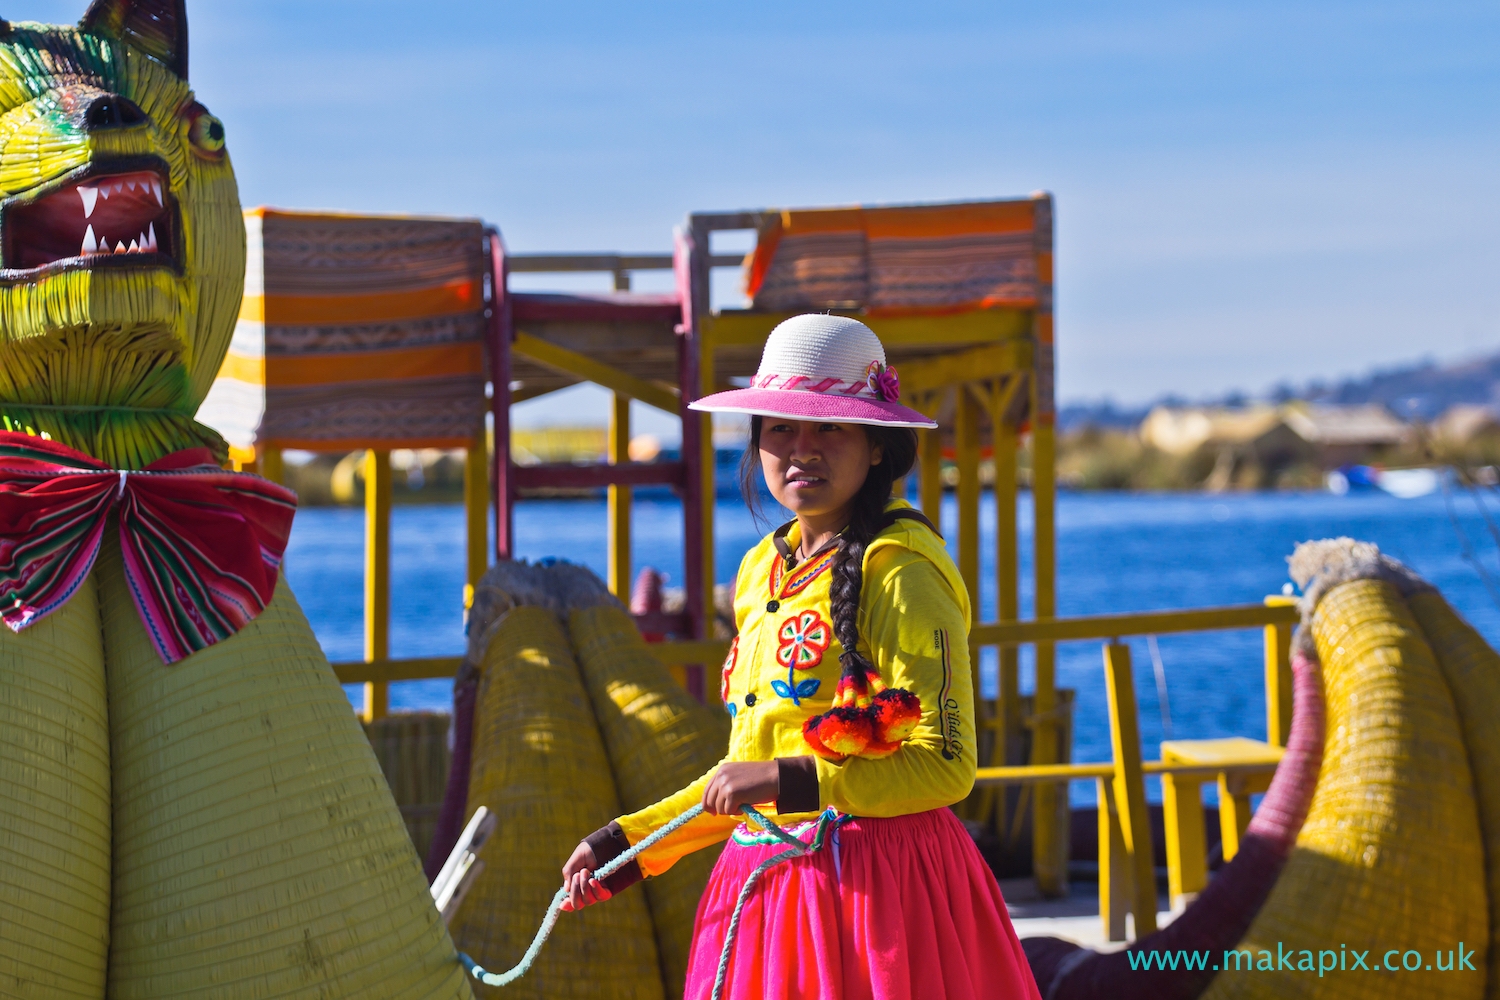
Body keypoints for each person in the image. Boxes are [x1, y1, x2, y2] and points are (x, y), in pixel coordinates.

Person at [561, 314, 1042, 1000]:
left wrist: (789, 783)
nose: (801, 450)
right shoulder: (763, 570)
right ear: (756, 441)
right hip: (768, 898)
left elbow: (946, 764)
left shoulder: (902, 572)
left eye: (829, 428)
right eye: (781, 429)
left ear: (876, 445)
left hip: (880, 905)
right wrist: (627, 848)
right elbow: (742, 774)